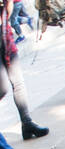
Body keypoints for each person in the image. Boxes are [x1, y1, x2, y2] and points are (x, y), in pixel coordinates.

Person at [1, 1, 49, 140]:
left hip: (5, 36)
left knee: (18, 82)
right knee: (2, 88)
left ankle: (27, 124)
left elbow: (8, 11)